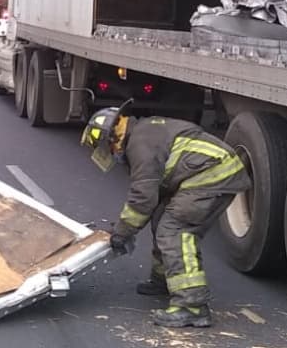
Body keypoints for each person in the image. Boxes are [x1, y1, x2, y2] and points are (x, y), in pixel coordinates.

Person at [80, 101, 251, 328]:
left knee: (175, 231)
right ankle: (164, 280)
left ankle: (192, 306)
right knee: (161, 218)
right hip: (204, 171)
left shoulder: (139, 146)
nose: (111, 155)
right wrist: (125, 227)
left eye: (107, 149)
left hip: (213, 173)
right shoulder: (143, 132)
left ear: (112, 138)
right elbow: (154, 195)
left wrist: (121, 233)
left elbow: (142, 199)